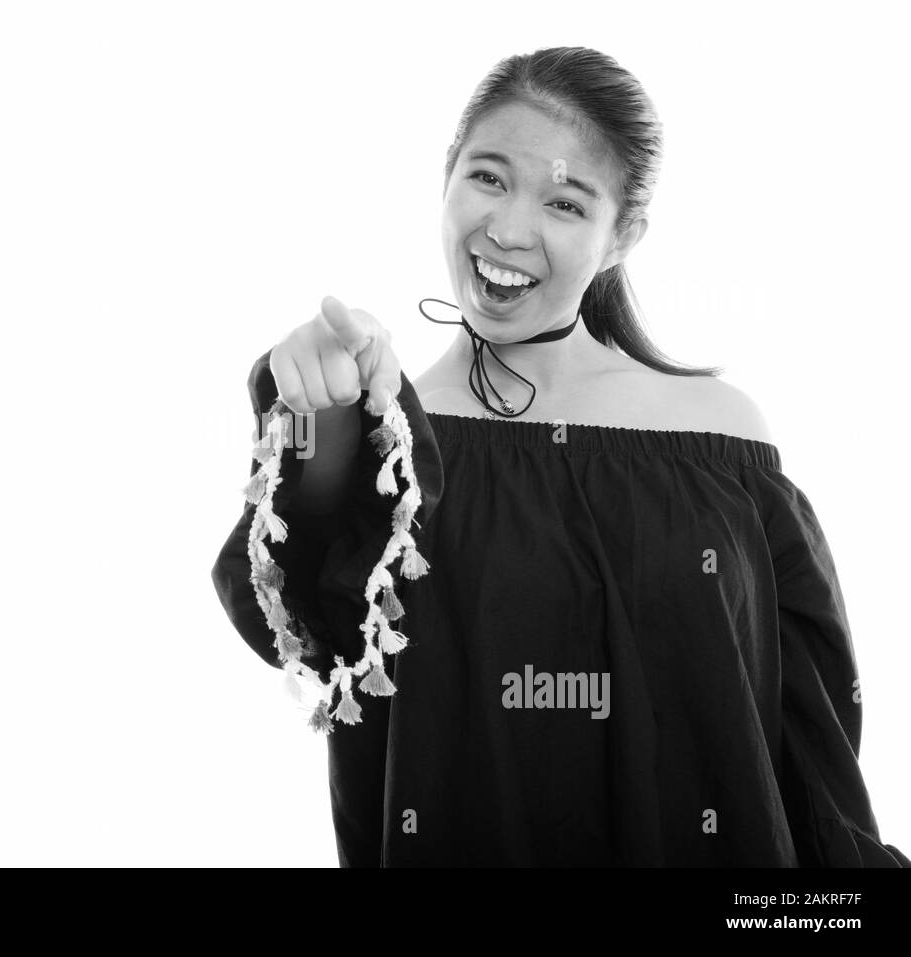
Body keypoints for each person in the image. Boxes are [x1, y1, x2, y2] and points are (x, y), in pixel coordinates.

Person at [209, 46, 908, 867]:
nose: (509, 229)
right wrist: (320, 426)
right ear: (447, 176)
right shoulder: (384, 437)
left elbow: (809, 754)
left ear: (624, 236)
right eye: (489, 178)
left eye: (567, 203)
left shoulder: (725, 445)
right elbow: (310, 638)